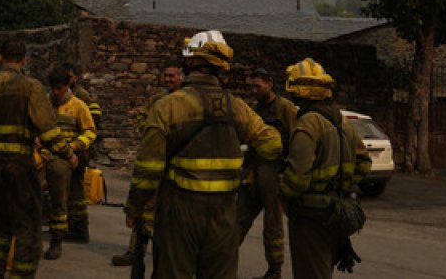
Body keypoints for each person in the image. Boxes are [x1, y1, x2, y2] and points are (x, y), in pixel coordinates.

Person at [124, 31, 283, 279]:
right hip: (225, 214)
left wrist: (134, 207)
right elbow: (272, 145)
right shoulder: (237, 107)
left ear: (189, 62)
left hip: (180, 213)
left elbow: (148, 169)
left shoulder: (167, 107)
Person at [0, 40, 76, 279]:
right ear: (23, 60)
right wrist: (68, 154)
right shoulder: (31, 87)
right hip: (20, 167)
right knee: (27, 229)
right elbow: (48, 130)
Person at [280, 59, 372, 278]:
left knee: (310, 272)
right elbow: (364, 163)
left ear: (298, 90)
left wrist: (283, 193)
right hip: (337, 211)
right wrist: (342, 184)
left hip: (310, 216)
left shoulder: (308, 124)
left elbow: (298, 177)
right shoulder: (343, 122)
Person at [110, 59, 183, 267]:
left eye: (172, 76)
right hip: (155, 161)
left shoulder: (186, 102)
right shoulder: (157, 100)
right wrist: (149, 131)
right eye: (166, 75)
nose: (168, 79)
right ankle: (134, 252)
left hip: (176, 164)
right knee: (143, 208)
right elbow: (143, 117)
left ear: (181, 77)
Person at [236, 68, 299, 279]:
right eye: (252, 86)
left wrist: (286, 172)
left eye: (258, 86)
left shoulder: (286, 109)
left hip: (273, 175)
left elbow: (296, 142)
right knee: (238, 220)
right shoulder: (255, 109)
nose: (254, 90)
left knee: (273, 226)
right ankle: (222, 262)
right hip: (253, 173)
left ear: (270, 83)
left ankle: (274, 270)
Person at [42, 65, 97, 259]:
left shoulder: (79, 106)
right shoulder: (44, 104)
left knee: (62, 198)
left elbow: (90, 132)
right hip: (45, 155)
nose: (56, 93)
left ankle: (57, 240)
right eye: (53, 88)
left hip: (69, 158)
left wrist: (73, 147)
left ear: (68, 85)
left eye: (60, 88)